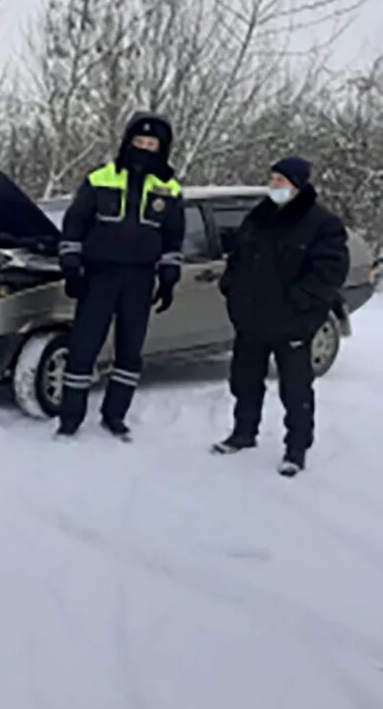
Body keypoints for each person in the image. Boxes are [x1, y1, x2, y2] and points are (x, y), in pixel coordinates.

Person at [213, 157, 349, 477]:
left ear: (298, 185)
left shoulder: (321, 224)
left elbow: (329, 274)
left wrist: (299, 305)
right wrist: (231, 288)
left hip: (292, 322)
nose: (274, 185)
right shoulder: (259, 217)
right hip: (251, 319)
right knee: (245, 381)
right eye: (272, 178)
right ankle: (243, 433)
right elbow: (238, 259)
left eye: (281, 181)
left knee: (295, 389)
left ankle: (296, 448)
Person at [56, 112, 185, 440]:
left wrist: (169, 277)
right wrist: (72, 267)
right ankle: (70, 419)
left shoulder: (168, 188)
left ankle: (115, 416)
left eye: (151, 144)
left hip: (140, 279)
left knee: (130, 351)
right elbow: (75, 224)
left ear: (162, 148)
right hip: (99, 276)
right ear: (127, 143)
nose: (144, 148)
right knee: (84, 347)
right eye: (138, 142)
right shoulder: (100, 179)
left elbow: (173, 236)